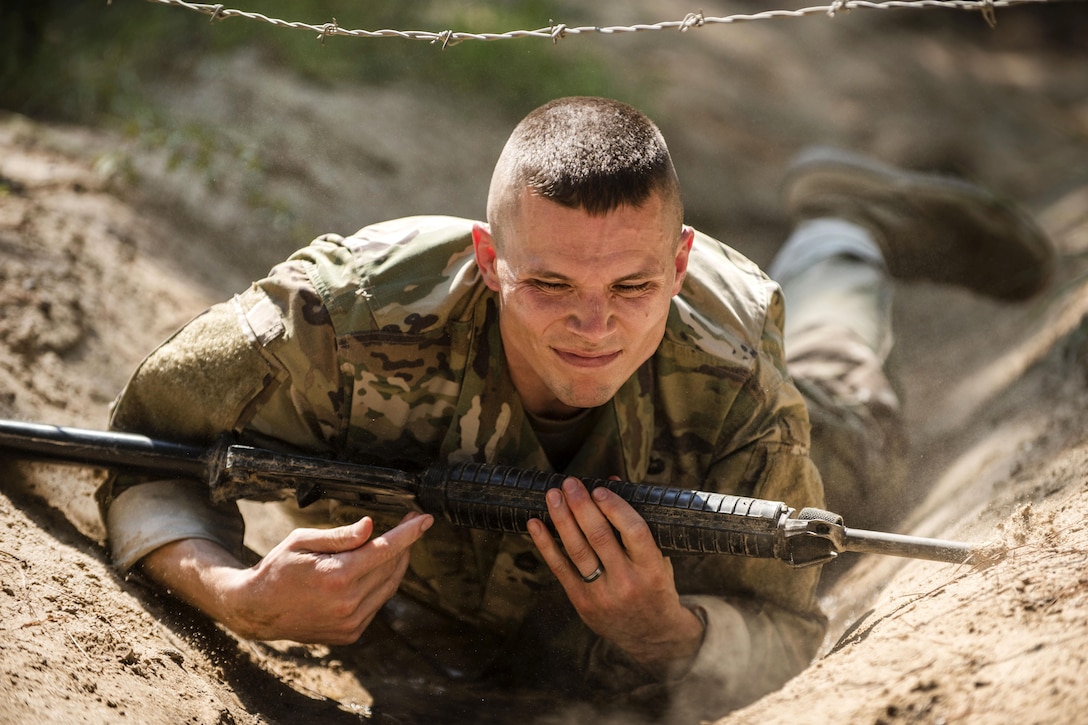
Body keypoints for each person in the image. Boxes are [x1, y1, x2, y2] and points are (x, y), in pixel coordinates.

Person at [95, 96, 1052, 720]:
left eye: (633, 286)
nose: (592, 326)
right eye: (548, 282)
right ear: (487, 257)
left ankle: (848, 226)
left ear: (677, 264)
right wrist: (236, 595)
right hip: (446, 625)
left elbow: (794, 635)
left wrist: (669, 632)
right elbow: (142, 447)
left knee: (854, 408)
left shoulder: (734, 383)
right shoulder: (341, 319)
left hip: (759, 425)